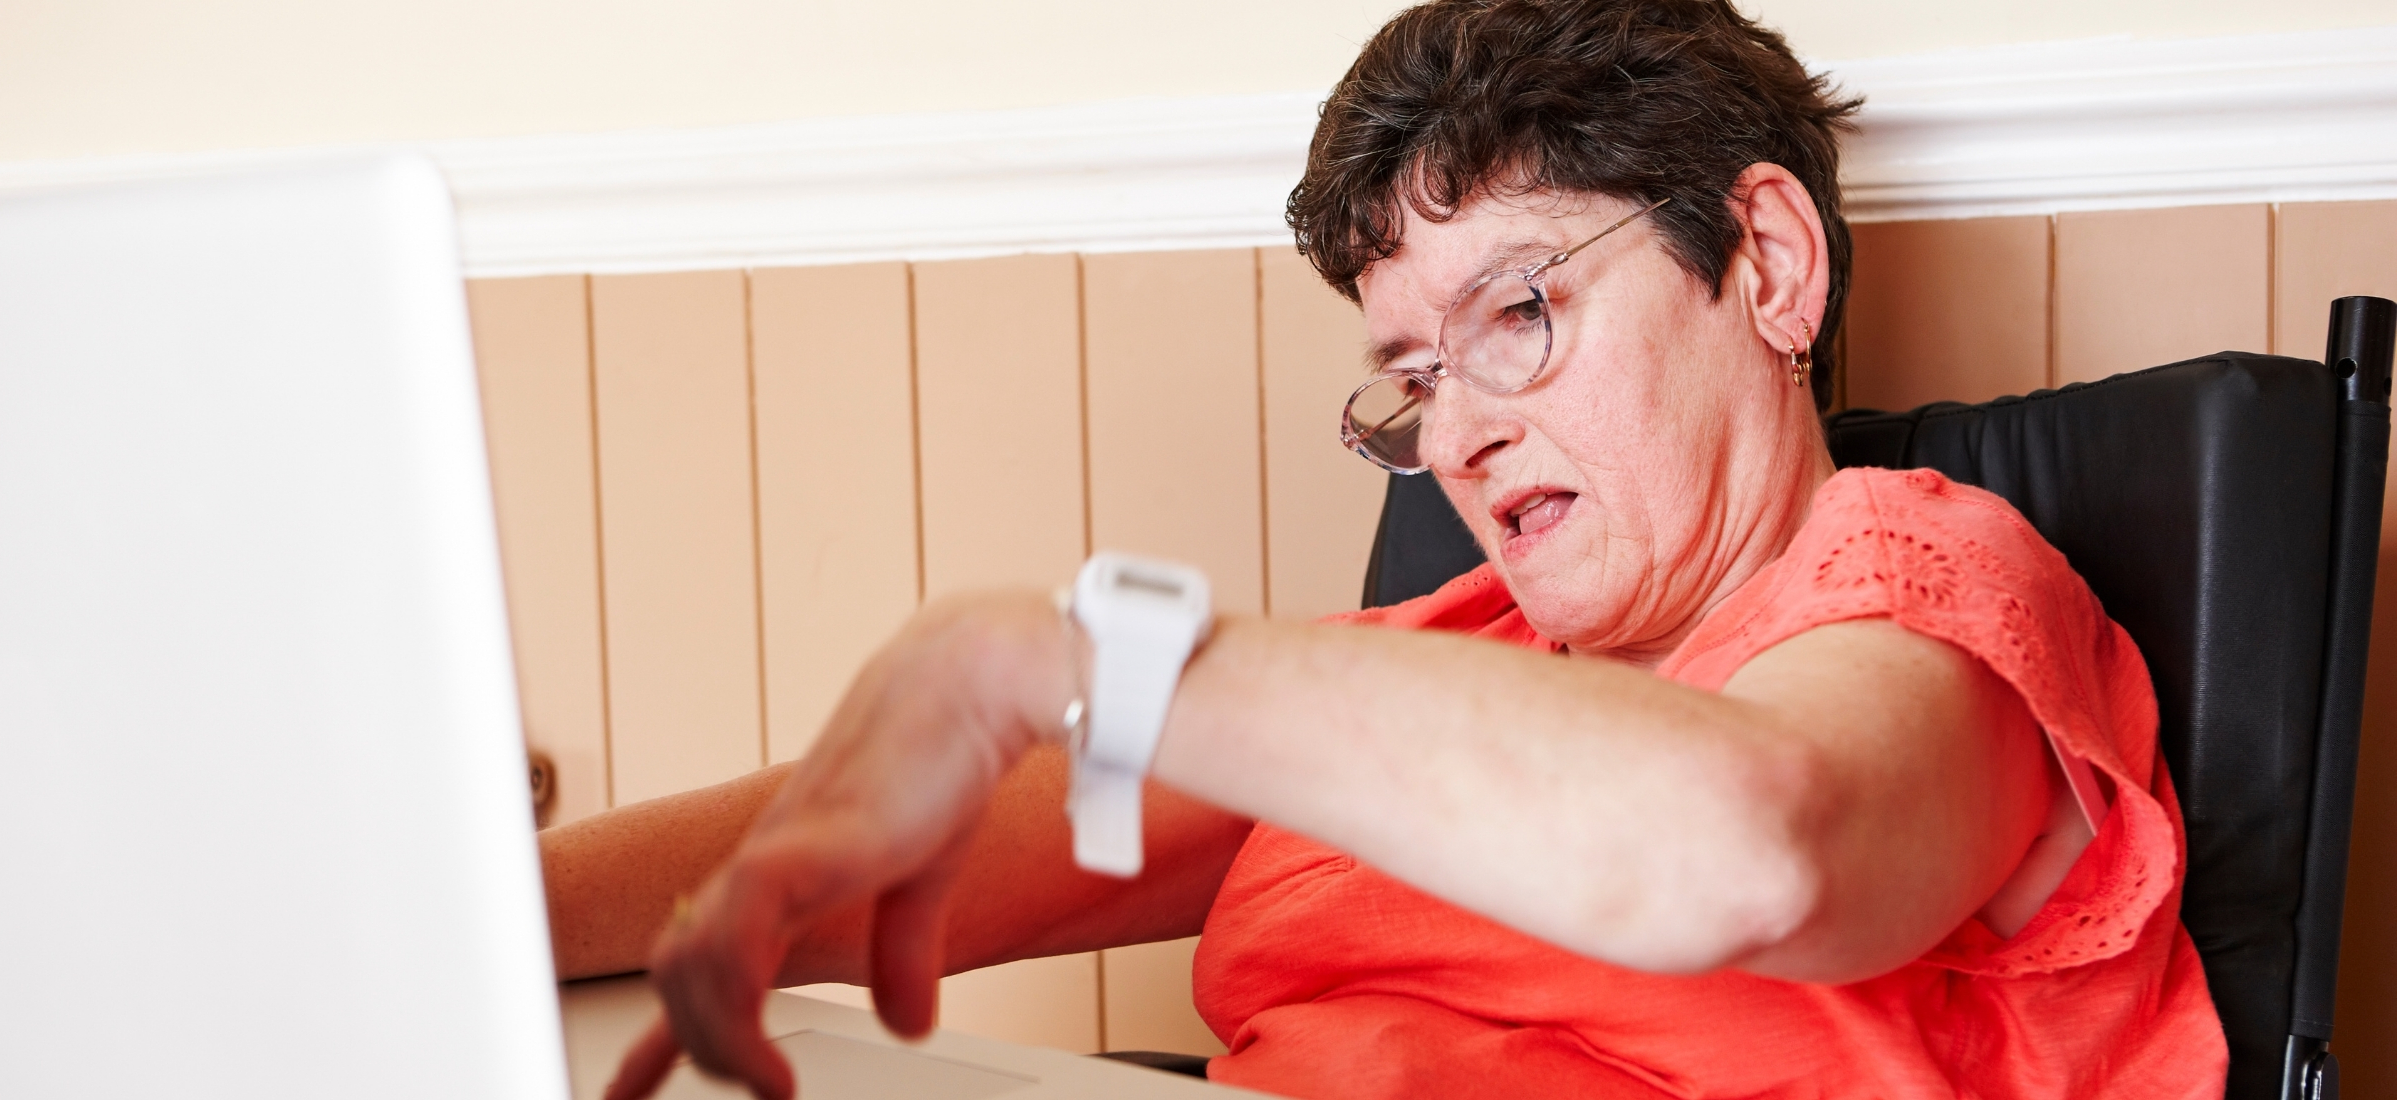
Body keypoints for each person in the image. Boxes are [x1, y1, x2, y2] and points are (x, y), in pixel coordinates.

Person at [546, 2, 2229, 1097]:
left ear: (1769, 265)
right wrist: (490, 901)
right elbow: (916, 841)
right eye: (1414, 377)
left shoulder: (1928, 596)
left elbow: (1750, 850)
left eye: (1519, 314)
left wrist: (1087, 660)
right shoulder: (1447, 658)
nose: (1457, 438)